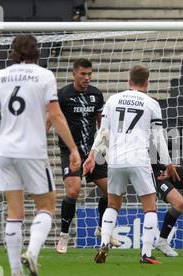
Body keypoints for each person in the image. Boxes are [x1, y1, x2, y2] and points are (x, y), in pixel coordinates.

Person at [0, 35, 81, 276]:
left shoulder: (2, 75)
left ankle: (14, 273)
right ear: (36, 52)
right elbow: (55, 115)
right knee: (46, 207)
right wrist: (73, 148)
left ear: (13, 52)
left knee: (14, 212)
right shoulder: (44, 76)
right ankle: (32, 252)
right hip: (32, 150)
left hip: (6, 151)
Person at [83, 65, 179, 264]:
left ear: (129, 80)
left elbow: (103, 132)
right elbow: (158, 138)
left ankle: (104, 243)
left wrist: (92, 156)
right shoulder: (151, 103)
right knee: (150, 208)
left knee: (113, 204)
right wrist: (168, 164)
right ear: (147, 82)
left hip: (115, 160)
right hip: (138, 159)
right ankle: (146, 253)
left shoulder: (113, 100)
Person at [52, 58, 120, 254]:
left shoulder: (96, 94)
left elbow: (102, 124)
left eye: (89, 74)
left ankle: (101, 228)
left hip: (94, 151)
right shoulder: (63, 95)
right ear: (74, 74)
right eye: (83, 74)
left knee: (111, 192)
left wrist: (105, 147)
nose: (87, 78)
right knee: (73, 191)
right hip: (71, 151)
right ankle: (64, 236)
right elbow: (52, 119)